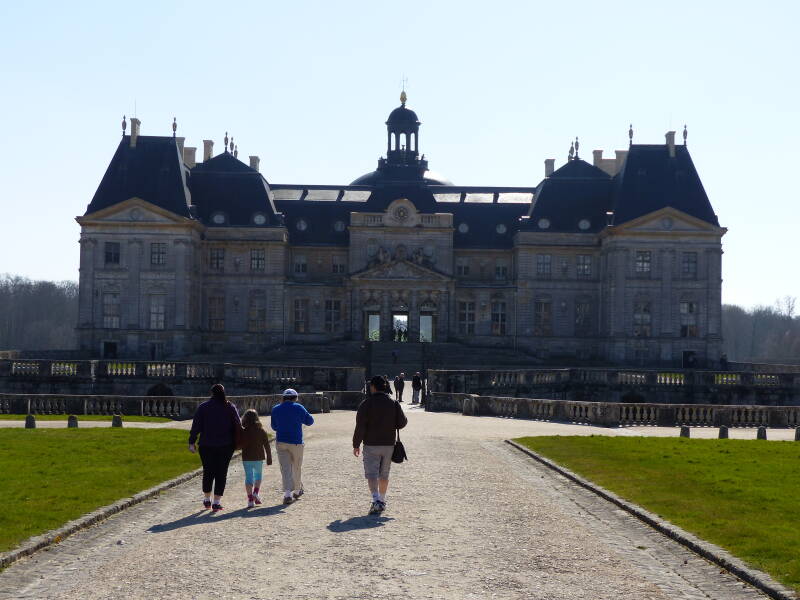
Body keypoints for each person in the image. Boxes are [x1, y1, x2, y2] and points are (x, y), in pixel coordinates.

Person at [353, 375, 408, 515]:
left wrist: (356, 444)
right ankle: (382, 500)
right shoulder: (394, 403)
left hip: (371, 444)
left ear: (373, 387)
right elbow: (402, 422)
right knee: (384, 474)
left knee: (372, 473)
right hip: (388, 444)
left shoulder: (366, 404)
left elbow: (360, 427)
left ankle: (375, 499)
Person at [188, 384, 242, 512]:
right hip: (226, 445)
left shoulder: (203, 407)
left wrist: (191, 442)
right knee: (221, 473)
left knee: (208, 471)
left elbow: (196, 426)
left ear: (211, 393)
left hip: (207, 445)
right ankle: (216, 502)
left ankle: (207, 499)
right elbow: (238, 425)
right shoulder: (230, 407)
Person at [271, 388, 314, 504]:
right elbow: (310, 421)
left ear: (283, 398)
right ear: (295, 398)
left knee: (285, 468)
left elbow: (274, 427)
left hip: (281, 442)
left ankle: (287, 494)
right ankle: (297, 490)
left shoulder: (275, 409)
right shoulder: (299, 407)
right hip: (296, 442)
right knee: (296, 467)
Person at [240, 409, 273, 508]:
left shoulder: (244, 431)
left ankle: (250, 499)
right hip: (258, 457)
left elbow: (240, 444)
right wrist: (269, 457)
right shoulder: (261, 430)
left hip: (246, 458)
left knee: (248, 478)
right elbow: (267, 445)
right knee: (258, 477)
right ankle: (256, 492)